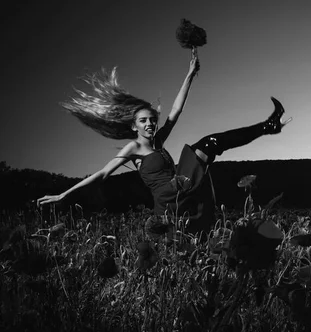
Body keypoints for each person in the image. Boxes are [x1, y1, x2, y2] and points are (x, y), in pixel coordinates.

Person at [37, 51, 291, 241]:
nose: (150, 125)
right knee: (207, 146)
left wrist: (190, 75)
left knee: (212, 143)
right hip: (168, 199)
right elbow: (102, 175)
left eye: (152, 120)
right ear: (134, 126)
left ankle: (269, 126)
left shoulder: (158, 141)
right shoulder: (132, 149)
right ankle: (269, 127)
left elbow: (176, 110)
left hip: (180, 188)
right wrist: (64, 194)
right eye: (143, 121)